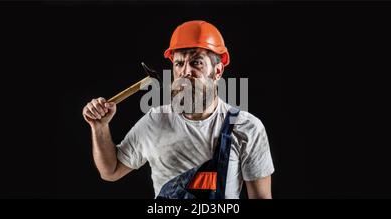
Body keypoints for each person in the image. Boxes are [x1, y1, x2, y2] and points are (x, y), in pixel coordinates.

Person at [82, 20, 274, 199]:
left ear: (217, 71)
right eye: (179, 63)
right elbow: (110, 171)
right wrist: (100, 127)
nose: (185, 72)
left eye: (196, 62)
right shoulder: (155, 121)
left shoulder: (246, 127)